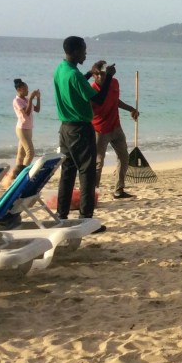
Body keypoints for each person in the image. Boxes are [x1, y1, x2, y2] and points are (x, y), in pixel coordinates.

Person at [53, 36, 115, 226]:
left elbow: (77, 85)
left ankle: (61, 215)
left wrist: (89, 72)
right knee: (87, 173)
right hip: (80, 129)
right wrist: (109, 76)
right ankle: (85, 219)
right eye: (83, 50)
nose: (85, 54)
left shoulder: (61, 69)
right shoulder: (74, 75)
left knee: (68, 172)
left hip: (65, 129)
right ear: (75, 52)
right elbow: (99, 99)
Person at [89, 60, 139, 199]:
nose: (100, 77)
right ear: (93, 76)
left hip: (116, 127)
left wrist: (131, 109)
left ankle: (119, 190)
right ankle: (93, 194)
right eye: (97, 74)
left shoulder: (115, 83)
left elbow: (115, 100)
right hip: (100, 130)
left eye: (103, 74)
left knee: (124, 158)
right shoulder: (91, 90)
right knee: (98, 163)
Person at [12, 78, 41, 175]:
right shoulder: (17, 101)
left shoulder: (26, 99)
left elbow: (37, 109)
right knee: (30, 152)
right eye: (25, 89)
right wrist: (31, 99)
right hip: (22, 129)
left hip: (29, 129)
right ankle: (23, 173)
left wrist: (38, 98)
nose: (27, 91)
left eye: (27, 89)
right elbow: (27, 113)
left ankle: (15, 174)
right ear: (19, 89)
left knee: (21, 154)